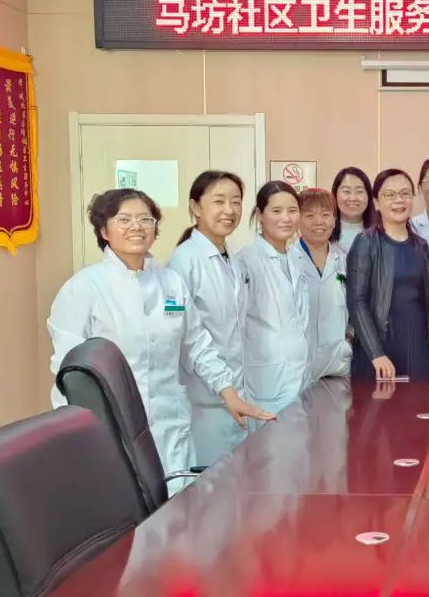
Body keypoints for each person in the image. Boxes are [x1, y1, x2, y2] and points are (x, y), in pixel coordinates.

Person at [48, 188, 272, 479]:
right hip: (110, 427)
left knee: (175, 500)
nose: (136, 227)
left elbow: (196, 346)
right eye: (124, 219)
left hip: (170, 424)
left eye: (145, 219)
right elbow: (69, 372)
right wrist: (77, 435)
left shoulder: (171, 284)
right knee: (125, 501)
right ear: (104, 231)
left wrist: (228, 393)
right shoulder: (83, 289)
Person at [167, 170, 249, 466]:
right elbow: (183, 337)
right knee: (211, 482)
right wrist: (222, 385)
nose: (229, 210)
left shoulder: (232, 258)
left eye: (236, 202)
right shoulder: (183, 262)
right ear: (196, 207)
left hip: (234, 394)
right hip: (204, 400)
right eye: (219, 201)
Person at [346, 169, 429, 380]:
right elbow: (356, 300)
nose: (398, 200)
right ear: (376, 202)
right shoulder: (366, 242)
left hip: (417, 347)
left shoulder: (421, 245)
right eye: (389, 194)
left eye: (405, 193)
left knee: (419, 399)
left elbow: (427, 300)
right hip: (378, 349)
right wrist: (376, 353)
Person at [237, 181, 310, 415]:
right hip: (266, 382)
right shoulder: (246, 261)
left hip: (299, 376)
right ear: (260, 215)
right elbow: (237, 325)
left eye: (292, 210)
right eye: (276, 211)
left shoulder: (296, 258)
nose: (286, 218)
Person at [290, 188, 353, 382]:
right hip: (297, 369)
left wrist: (349, 340)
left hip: (339, 366)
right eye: (309, 215)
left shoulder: (346, 260)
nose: (319, 222)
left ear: (334, 220)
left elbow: (357, 306)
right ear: (298, 220)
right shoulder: (287, 260)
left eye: (326, 215)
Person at [330, 167, 376, 253]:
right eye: (346, 191)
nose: (353, 198)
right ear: (335, 195)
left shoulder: (381, 230)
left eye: (359, 191)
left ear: (368, 196)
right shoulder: (325, 229)